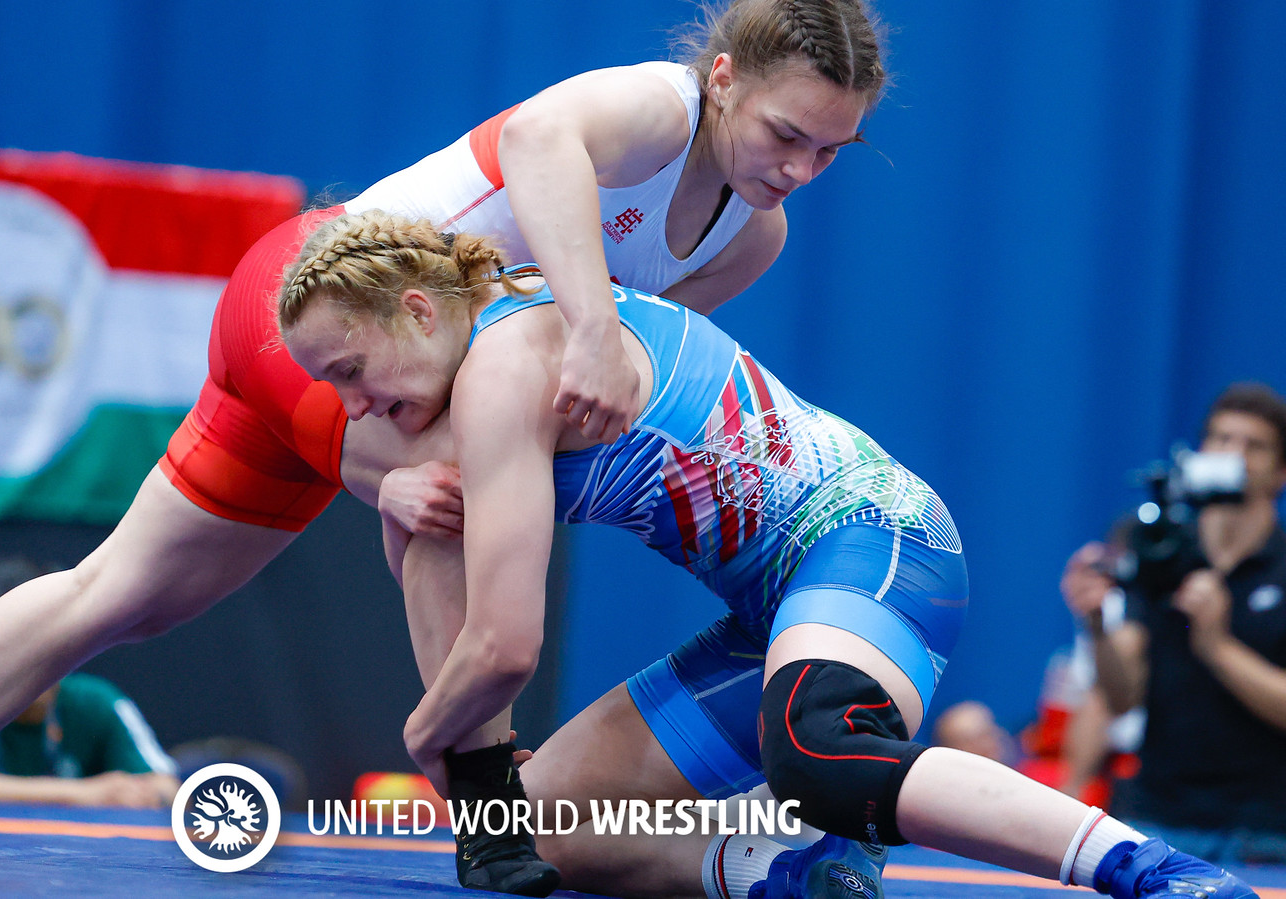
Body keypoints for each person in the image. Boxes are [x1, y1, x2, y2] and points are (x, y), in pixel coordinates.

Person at [0, 0, 891, 871]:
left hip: (350, 373)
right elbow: (540, 144)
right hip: (304, 308)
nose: (796, 170)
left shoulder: (753, 235)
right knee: (440, 494)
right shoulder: (653, 108)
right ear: (721, 77)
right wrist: (592, 328)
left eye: (828, 154)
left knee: (123, 594)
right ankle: (486, 812)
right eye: (784, 133)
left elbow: (603, 382)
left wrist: (581, 374)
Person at [275, 210, 1260, 899]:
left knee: (821, 745)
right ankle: (777, 870)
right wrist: (477, 767)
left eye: (350, 371)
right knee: (530, 832)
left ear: (415, 307)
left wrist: (434, 735)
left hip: (875, 538)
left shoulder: (504, 356)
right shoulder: (429, 404)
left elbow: (498, 650)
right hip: (773, 610)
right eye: (330, 386)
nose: (352, 404)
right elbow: (418, 531)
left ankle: (1154, 871)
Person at [1061, 382, 1286, 864]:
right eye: (1221, 440)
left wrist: (1217, 646)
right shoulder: (1161, 548)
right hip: (1158, 818)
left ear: (1280, 472)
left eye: (1254, 445)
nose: (1235, 456)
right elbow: (1122, 695)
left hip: (1268, 833)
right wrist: (1097, 624)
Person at [0, 558, 180, 808]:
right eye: (14, 646)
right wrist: (81, 793)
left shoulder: (99, 701)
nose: (30, 662)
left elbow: (167, 788)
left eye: (41, 642)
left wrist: (148, 797)